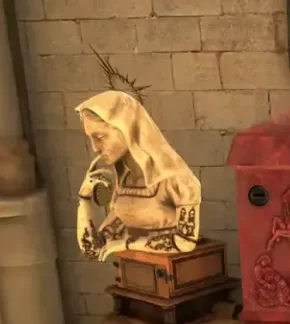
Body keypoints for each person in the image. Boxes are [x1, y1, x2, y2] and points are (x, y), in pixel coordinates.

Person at [74, 90, 202, 261]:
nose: (95, 148)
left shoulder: (178, 180)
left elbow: (186, 241)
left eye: (101, 137)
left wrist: (127, 244)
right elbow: (93, 250)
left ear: (126, 129)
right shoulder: (126, 185)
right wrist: (84, 199)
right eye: (91, 138)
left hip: (174, 272)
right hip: (136, 272)